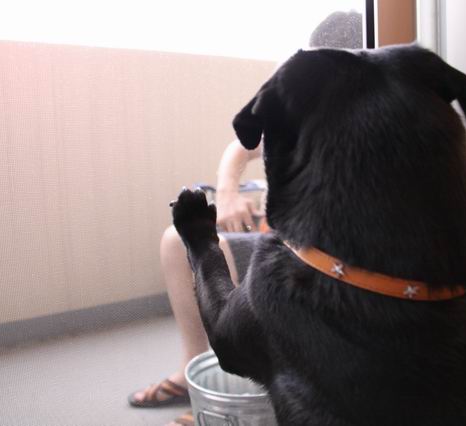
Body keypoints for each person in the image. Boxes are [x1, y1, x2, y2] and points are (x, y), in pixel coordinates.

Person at [128, 10, 363, 426]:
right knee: (176, 241)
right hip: (282, 242)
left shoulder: (368, 122)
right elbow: (242, 147)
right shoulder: (299, 105)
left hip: (327, 262)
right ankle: (194, 367)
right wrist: (230, 193)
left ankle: (255, 391)